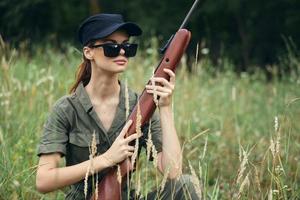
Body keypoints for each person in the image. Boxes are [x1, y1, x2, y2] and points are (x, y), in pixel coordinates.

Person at [36, 13, 199, 200]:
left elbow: (173, 171)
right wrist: (106, 160)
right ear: (88, 52)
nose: (121, 52)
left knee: (187, 185)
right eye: (111, 46)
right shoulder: (66, 109)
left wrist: (165, 108)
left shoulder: (140, 107)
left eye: (127, 46)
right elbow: (43, 181)